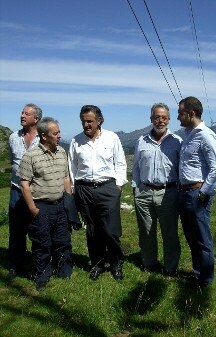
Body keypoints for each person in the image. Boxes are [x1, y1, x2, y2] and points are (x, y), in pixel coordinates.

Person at [68, 105, 127, 281]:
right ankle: (97, 264)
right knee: (92, 230)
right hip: (84, 189)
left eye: (89, 121)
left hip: (108, 188)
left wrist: (118, 186)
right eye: (83, 121)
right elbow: (72, 167)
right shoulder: (76, 141)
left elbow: (121, 163)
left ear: (99, 120)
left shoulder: (111, 138)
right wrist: (74, 188)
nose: (86, 125)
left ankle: (116, 263)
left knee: (111, 230)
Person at [18, 117, 73, 291]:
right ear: (44, 136)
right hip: (41, 206)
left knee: (63, 240)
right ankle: (42, 275)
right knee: (42, 243)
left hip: (60, 205)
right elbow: (24, 184)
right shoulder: (31, 156)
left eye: (59, 132)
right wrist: (33, 209)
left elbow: (65, 177)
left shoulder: (62, 152)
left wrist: (69, 200)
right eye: (55, 133)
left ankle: (64, 270)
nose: (59, 136)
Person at [132, 103, 182, 276]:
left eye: (164, 117)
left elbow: (181, 168)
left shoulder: (177, 142)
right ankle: (149, 263)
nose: (160, 120)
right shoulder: (141, 141)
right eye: (156, 117)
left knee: (169, 232)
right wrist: (136, 188)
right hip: (144, 192)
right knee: (146, 231)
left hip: (168, 192)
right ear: (151, 119)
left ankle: (170, 267)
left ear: (168, 119)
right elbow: (136, 167)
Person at [177, 96, 216, 288]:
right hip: (185, 192)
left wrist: (204, 192)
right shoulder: (187, 133)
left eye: (180, 113)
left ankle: (205, 279)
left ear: (191, 113)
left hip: (197, 193)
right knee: (190, 234)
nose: (178, 117)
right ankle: (197, 272)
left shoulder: (205, 135)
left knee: (202, 237)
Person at [7, 103, 42, 282]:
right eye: (21, 113)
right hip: (16, 190)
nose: (22, 116)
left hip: (37, 192)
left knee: (37, 229)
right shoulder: (13, 137)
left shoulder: (42, 138)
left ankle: (38, 265)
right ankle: (15, 264)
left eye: (26, 114)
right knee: (16, 230)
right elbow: (13, 160)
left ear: (36, 119)